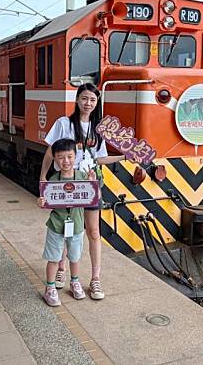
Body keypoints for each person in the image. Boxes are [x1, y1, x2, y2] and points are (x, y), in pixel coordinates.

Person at [39, 83, 126, 300]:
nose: (88, 103)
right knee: (66, 229)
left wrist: (124, 157)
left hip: (89, 186)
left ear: (97, 104)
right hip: (66, 186)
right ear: (77, 99)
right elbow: (51, 152)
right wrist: (42, 177)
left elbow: (99, 158)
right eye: (85, 98)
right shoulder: (63, 123)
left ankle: (95, 279)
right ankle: (61, 269)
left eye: (93, 100)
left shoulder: (99, 129)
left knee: (93, 233)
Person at [38, 138, 95, 306]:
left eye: (70, 156)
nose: (66, 161)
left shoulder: (83, 177)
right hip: (56, 225)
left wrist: (92, 181)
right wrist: (40, 202)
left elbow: (94, 194)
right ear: (55, 159)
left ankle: (75, 282)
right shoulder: (53, 181)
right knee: (54, 258)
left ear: (75, 156)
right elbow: (45, 201)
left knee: (75, 257)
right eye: (61, 157)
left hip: (76, 225)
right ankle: (50, 288)